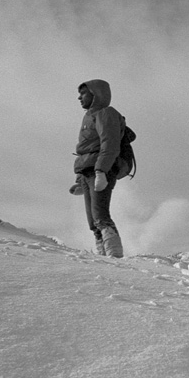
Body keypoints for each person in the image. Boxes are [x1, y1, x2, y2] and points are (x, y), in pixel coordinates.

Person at [70, 79, 125, 258]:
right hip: (88, 172)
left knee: (100, 215)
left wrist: (101, 171)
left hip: (100, 169)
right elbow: (86, 150)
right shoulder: (88, 117)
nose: (79, 97)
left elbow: (110, 143)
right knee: (93, 221)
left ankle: (114, 254)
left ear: (96, 94)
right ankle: (103, 255)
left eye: (83, 93)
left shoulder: (105, 113)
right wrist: (80, 179)